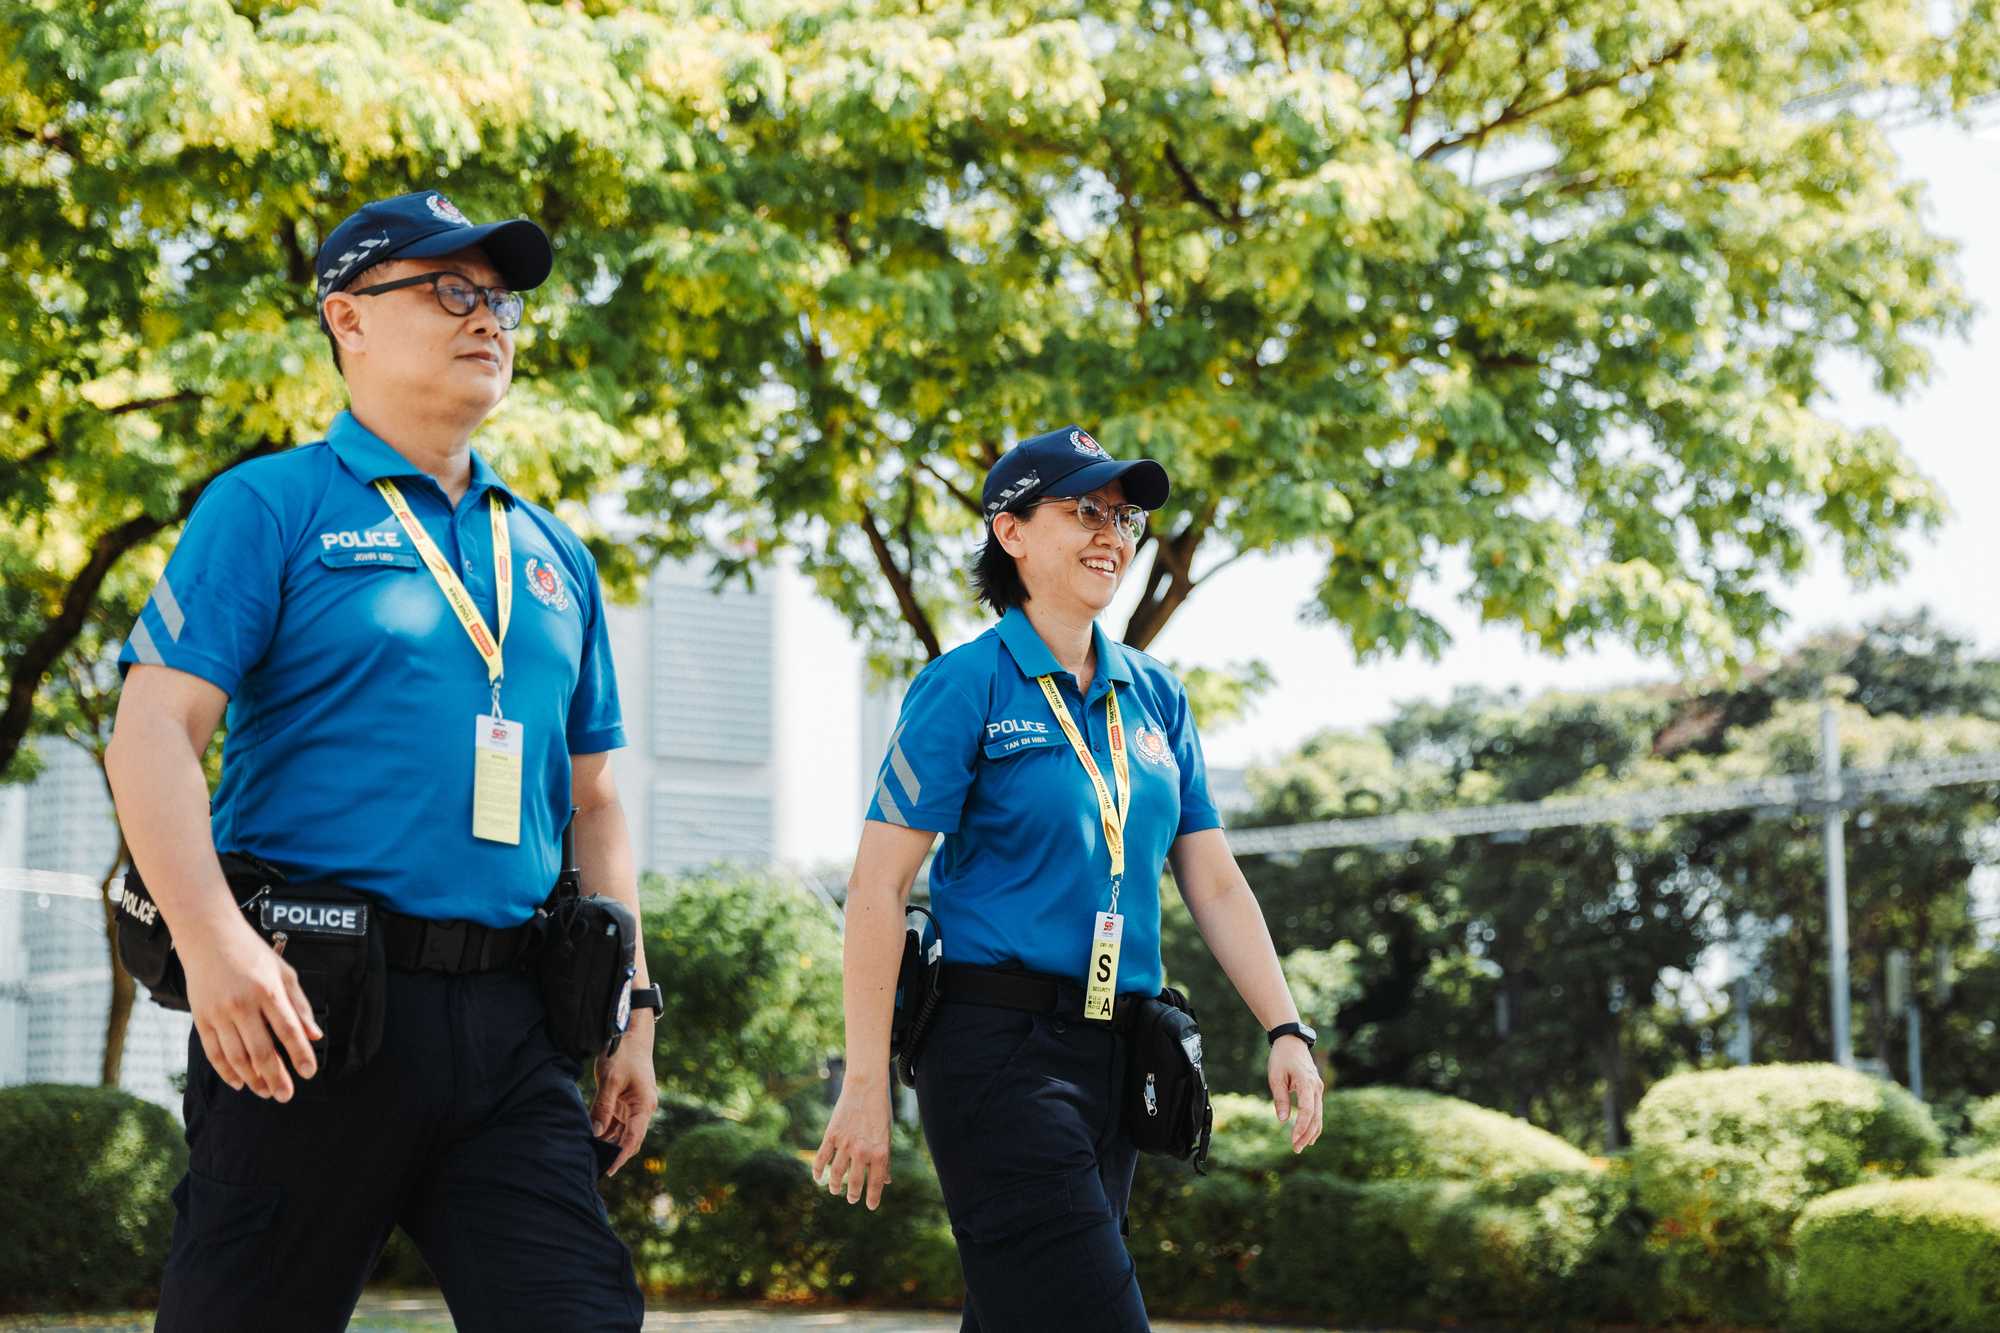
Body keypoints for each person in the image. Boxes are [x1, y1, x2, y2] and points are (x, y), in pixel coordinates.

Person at [105, 190, 655, 1332]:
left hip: (516, 1027)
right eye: (448, 291)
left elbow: (594, 797)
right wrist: (213, 950)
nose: (486, 318)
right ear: (347, 318)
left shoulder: (552, 553)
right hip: (307, 1011)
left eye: (499, 298)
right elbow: (150, 733)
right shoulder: (268, 506)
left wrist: (633, 1008)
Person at [813, 426, 1325, 1329]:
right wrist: (865, 1082)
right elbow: (878, 889)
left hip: (1120, 1057)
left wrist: (1285, 1026)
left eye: (1123, 516)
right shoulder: (965, 685)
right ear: (1010, 532)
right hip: (995, 1051)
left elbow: (1212, 880)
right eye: (1083, 509)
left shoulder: (1156, 697)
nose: (1112, 534)